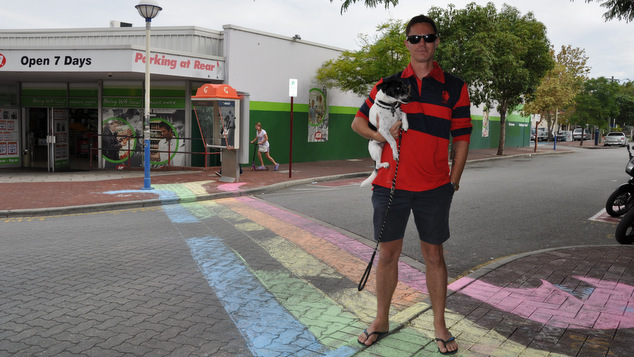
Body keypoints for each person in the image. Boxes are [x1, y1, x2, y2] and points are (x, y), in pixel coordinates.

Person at [351, 14, 472, 355]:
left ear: (436, 42)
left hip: (434, 188)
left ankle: (439, 324)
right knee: (388, 254)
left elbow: (461, 137)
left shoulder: (455, 86)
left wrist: (454, 179)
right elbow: (358, 122)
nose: (423, 44)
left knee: (434, 256)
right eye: (416, 38)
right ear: (406, 43)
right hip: (390, 186)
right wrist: (383, 136)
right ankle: (381, 319)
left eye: (429, 37)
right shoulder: (386, 84)